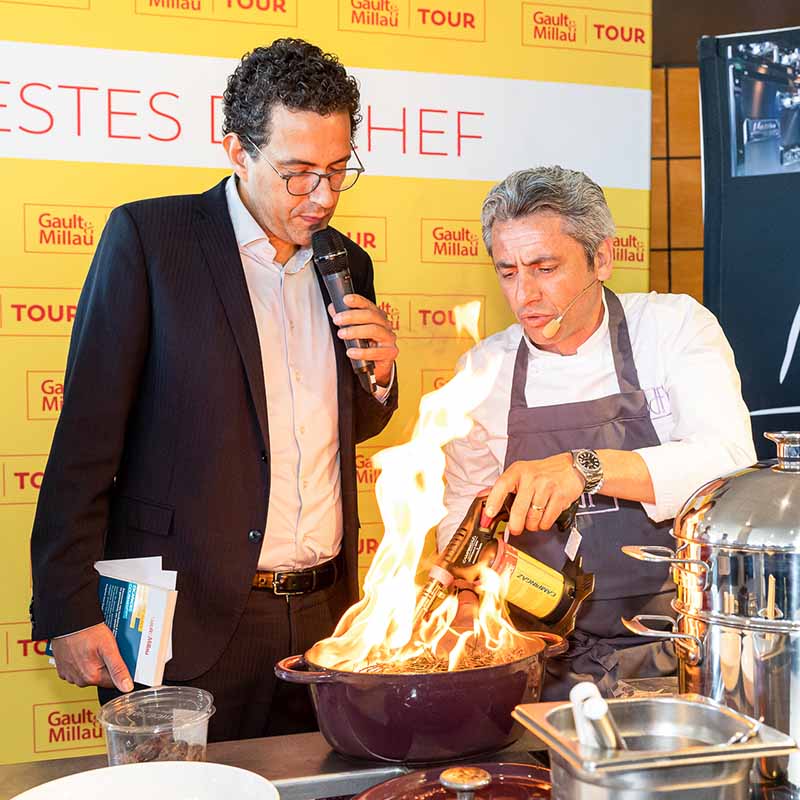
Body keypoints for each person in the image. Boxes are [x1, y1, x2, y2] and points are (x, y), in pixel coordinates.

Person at [29, 38, 398, 741]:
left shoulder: (347, 262)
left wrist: (377, 378)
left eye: (337, 170)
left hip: (326, 619)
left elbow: (334, 424)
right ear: (236, 151)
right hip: (183, 623)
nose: (322, 197)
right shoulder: (151, 239)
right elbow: (84, 440)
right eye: (298, 174)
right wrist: (67, 608)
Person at [438, 165, 755, 699]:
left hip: (678, 650)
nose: (525, 295)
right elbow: (463, 511)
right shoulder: (483, 372)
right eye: (508, 272)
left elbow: (729, 465)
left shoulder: (673, 328)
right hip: (537, 658)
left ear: (602, 258)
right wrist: (468, 598)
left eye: (545, 268)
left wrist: (585, 467)